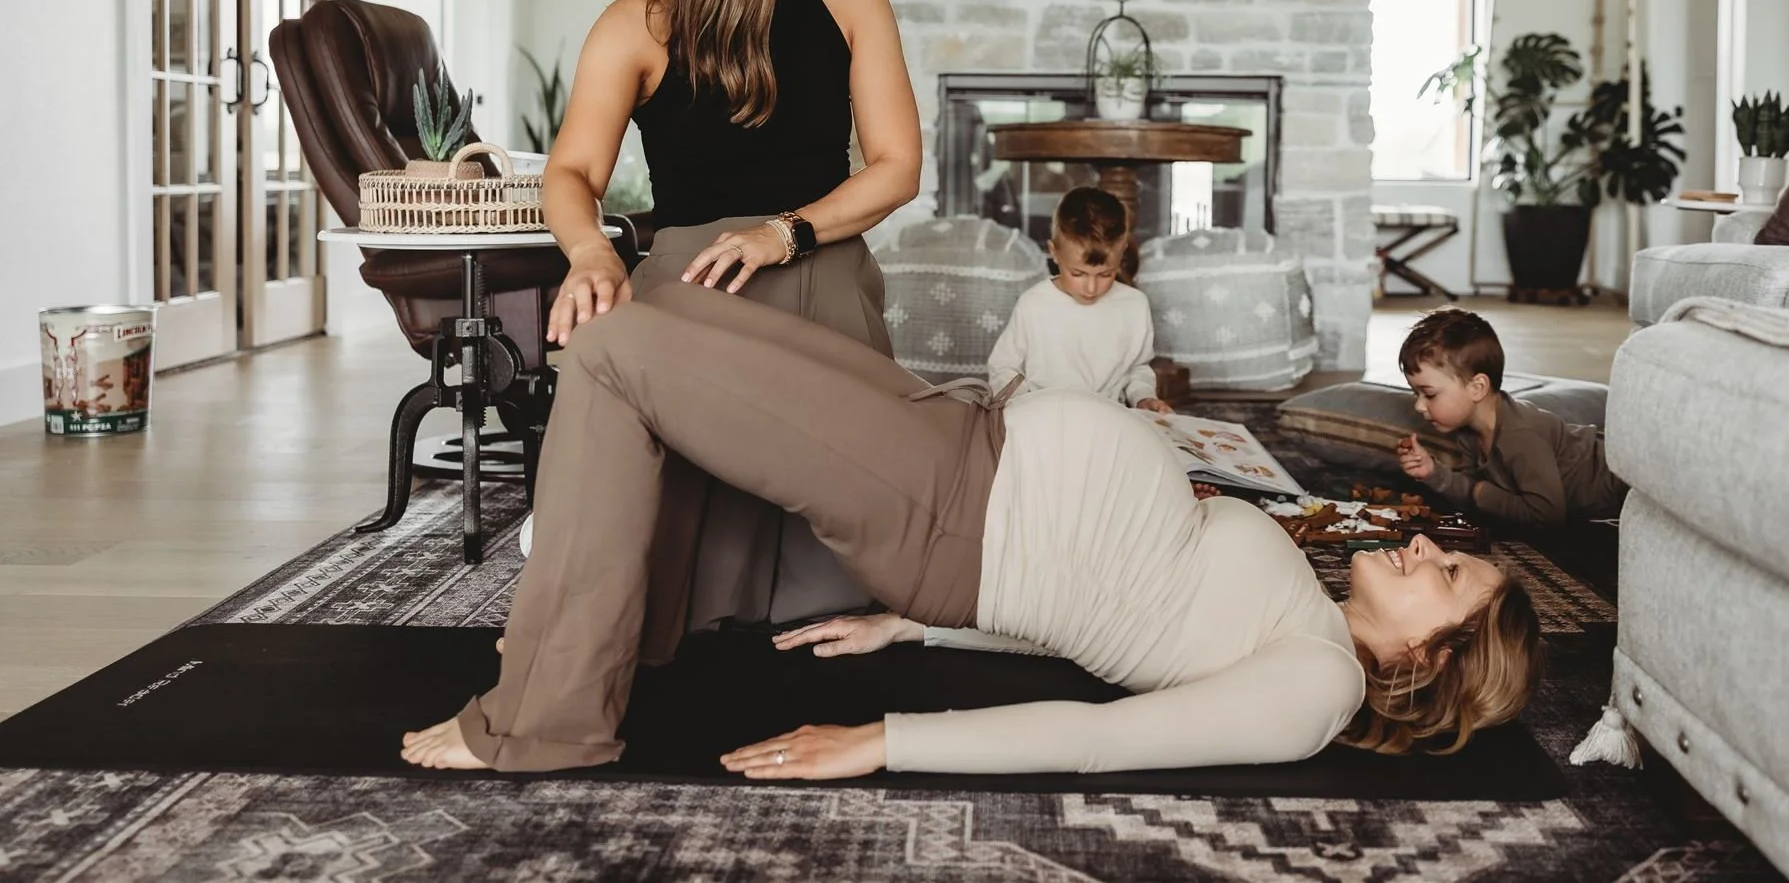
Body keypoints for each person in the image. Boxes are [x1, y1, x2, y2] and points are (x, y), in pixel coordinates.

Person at [399, 280, 1543, 774]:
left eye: (1448, 578)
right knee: (675, 313)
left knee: (612, 353)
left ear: (1421, 666)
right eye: (1451, 551)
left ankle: (542, 717)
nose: (1429, 547)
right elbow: (1112, 622)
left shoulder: (1313, 695)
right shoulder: (1308, 615)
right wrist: (911, 632)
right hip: (960, 449)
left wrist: (884, 739)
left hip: (946, 506)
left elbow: (1103, 734)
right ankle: (628, 641)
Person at [534, 0, 921, 642]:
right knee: (663, 595)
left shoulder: (852, 0)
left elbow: (897, 169)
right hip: (697, 290)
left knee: (861, 552)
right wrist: (591, 253)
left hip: (817, 265)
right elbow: (570, 170)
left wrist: (785, 232)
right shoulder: (636, 22)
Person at [1393, 308, 1627, 526]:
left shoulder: (1519, 435)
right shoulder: (1469, 433)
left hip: (1624, 476)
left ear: (1477, 388)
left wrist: (1480, 491)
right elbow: (1471, 498)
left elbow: (1546, 514)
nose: (1419, 406)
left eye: (1429, 394)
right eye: (1416, 393)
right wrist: (1433, 472)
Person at [986, 187, 1172, 412]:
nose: (1091, 288)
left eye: (1105, 274)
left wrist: (1143, 397)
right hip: (1043, 419)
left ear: (1122, 251)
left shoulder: (1135, 305)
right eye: (1078, 274)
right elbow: (1003, 368)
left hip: (1111, 421)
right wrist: (1026, 407)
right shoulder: (1034, 304)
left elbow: (1137, 369)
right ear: (1054, 252)